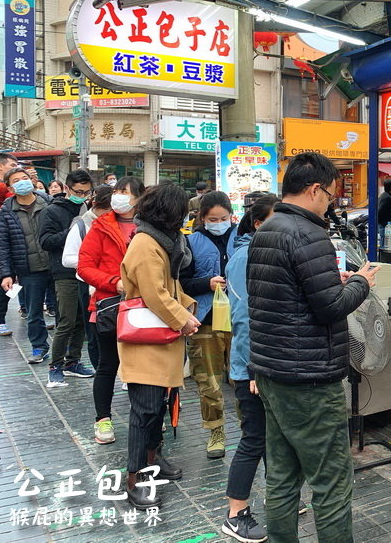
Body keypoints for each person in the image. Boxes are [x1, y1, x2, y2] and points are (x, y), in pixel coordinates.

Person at [249, 152, 378, 542]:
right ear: (314, 189)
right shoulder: (310, 234)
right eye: (330, 195)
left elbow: (284, 296)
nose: (331, 203)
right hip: (309, 380)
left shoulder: (267, 230)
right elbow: (331, 308)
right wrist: (360, 283)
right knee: (331, 483)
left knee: (283, 477)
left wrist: (330, 279)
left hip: (272, 372)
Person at [118, 182, 200, 509]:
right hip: (147, 338)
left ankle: (154, 459)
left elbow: (171, 286)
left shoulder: (163, 241)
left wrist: (187, 308)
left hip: (162, 336)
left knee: (158, 406)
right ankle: (134, 478)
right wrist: (184, 318)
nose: (185, 217)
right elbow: (154, 294)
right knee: (146, 409)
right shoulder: (145, 243)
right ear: (169, 212)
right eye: (182, 211)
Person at [222, 194, 279, 543]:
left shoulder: (263, 253)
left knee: (273, 439)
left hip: (265, 364)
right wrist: (256, 367)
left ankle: (279, 497)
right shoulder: (246, 257)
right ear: (258, 224)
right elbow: (245, 318)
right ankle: (235, 513)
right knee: (254, 439)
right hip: (252, 368)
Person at [78, 178, 145, 445]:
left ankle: (146, 416)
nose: (118, 197)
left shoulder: (148, 227)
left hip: (143, 305)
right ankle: (102, 419)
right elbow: (84, 266)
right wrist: (113, 283)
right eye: (116, 191)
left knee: (141, 366)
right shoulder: (101, 226)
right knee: (108, 364)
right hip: (108, 306)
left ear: (139, 198)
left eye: (124, 192)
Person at [180, 191, 237, 459]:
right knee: (209, 381)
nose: (219, 222)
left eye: (223, 218)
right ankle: (216, 431)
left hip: (240, 321)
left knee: (245, 379)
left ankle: (251, 429)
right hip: (206, 321)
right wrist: (207, 283)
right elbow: (182, 283)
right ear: (202, 218)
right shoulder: (191, 243)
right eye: (213, 219)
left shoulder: (244, 237)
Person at [38, 169, 95, 388]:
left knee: (82, 319)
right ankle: (55, 366)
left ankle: (73, 362)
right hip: (63, 272)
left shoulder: (85, 207)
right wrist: (71, 232)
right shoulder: (52, 210)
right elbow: (45, 241)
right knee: (66, 320)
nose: (82, 195)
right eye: (78, 191)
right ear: (67, 188)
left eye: (86, 192)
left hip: (86, 271)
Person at [0, 168, 52, 363]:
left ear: (31, 180)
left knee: (66, 311)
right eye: (16, 180)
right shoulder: (5, 212)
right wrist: (6, 274)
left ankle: (69, 349)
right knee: (34, 312)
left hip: (56, 265)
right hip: (29, 269)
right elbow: (2, 246)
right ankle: (39, 347)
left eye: (25, 178)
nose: (22, 182)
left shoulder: (48, 202)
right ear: (10, 187)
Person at [62, 184, 113, 372]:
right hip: (89, 284)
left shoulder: (122, 224)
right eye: (106, 210)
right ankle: (101, 370)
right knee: (94, 332)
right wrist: (93, 262)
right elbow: (67, 258)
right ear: (96, 205)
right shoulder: (82, 225)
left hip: (116, 284)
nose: (109, 214)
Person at [0, 153, 19, 337]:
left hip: (11, 238)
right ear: (0, 166)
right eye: (12, 165)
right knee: (3, 279)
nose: (15, 167)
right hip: (2, 239)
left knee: (5, 279)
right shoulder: (2, 187)